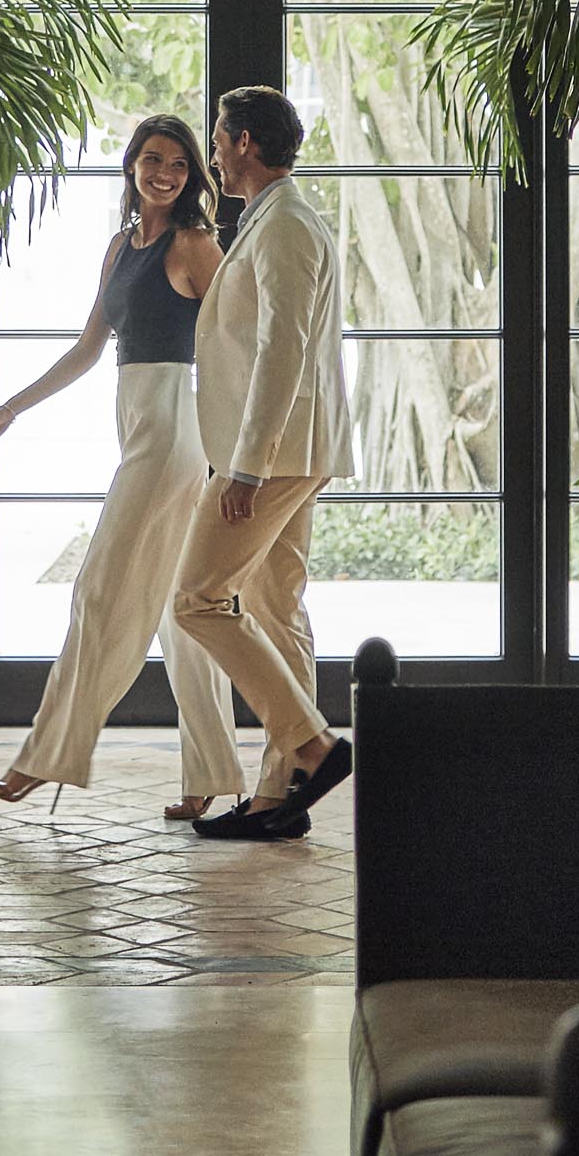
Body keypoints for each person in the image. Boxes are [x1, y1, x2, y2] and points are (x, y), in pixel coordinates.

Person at [0, 115, 252, 820]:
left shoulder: (196, 245)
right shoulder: (120, 248)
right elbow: (88, 349)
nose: (166, 173)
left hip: (174, 436)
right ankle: (212, 774)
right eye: (153, 159)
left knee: (97, 591)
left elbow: (243, 342)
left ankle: (43, 760)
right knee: (181, 611)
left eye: (180, 163)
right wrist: (9, 409)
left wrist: (245, 452)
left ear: (193, 176)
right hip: (138, 429)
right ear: (131, 165)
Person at [171, 85, 355, 842]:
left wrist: (245, 466)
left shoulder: (285, 225)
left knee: (196, 599)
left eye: (218, 138)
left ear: (244, 141)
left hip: (274, 454)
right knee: (277, 608)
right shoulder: (274, 219)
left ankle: (313, 748)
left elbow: (285, 349)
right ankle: (280, 796)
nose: (214, 153)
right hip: (289, 447)